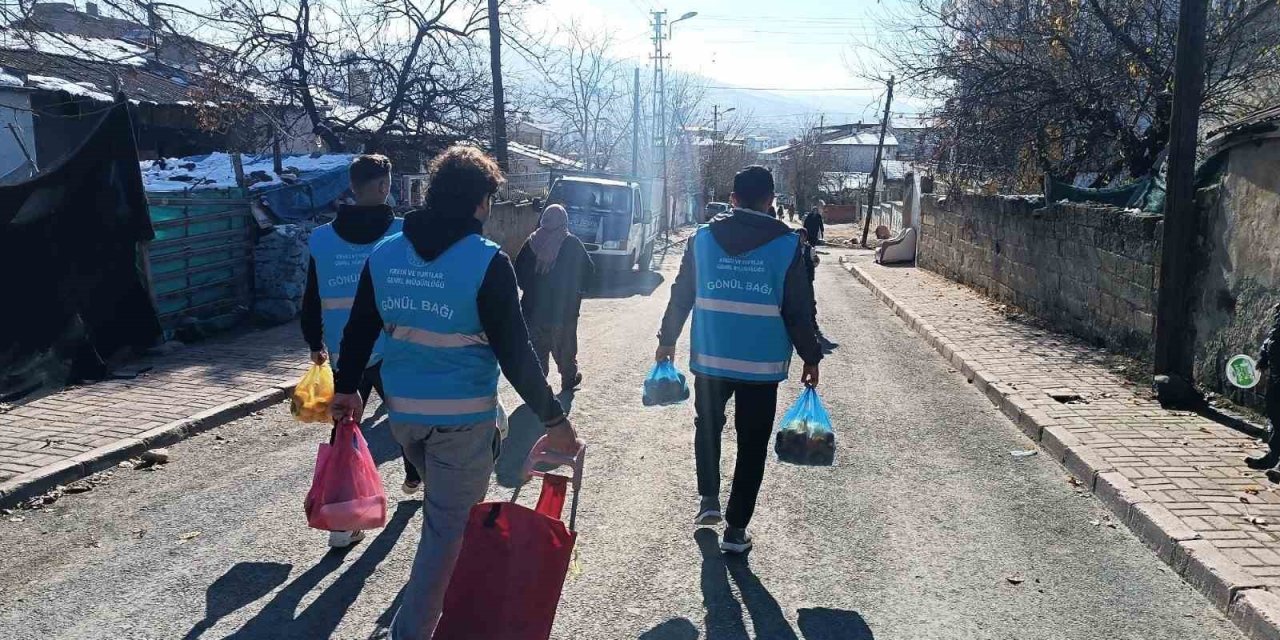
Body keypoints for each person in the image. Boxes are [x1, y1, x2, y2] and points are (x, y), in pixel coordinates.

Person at [329, 145, 580, 640]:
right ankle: (411, 632)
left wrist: (348, 390)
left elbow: (359, 330)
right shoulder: (484, 261)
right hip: (461, 421)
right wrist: (556, 420)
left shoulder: (386, 253)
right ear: (481, 201)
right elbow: (515, 353)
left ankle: (434, 616)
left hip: (405, 418)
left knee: (444, 518)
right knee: (446, 533)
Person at [656, 165, 822, 554]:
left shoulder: (701, 240)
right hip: (761, 367)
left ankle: (708, 500)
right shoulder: (787, 245)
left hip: (711, 359)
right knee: (751, 445)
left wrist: (667, 339)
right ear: (770, 202)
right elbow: (799, 309)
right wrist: (810, 357)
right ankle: (736, 530)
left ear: (732, 200)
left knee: (708, 426)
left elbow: (682, 293)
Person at [301, 154, 421, 548]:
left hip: (342, 355)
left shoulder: (320, 238)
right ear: (385, 185)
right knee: (409, 420)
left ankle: (341, 524)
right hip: (393, 348)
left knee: (345, 434)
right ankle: (415, 476)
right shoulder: (403, 234)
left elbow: (312, 297)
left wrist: (314, 342)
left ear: (351, 187)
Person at [515, 204, 595, 393]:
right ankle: (569, 378)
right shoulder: (572, 243)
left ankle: (538, 386)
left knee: (536, 351)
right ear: (564, 221)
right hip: (563, 311)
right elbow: (589, 273)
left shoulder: (532, 242)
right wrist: (576, 291)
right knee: (565, 348)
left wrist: (531, 288)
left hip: (533, 310)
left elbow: (518, 271)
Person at [1246, 303, 1280, 478]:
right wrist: (1263, 356)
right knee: (1275, 415)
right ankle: (1273, 456)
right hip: (1277, 377)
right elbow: (1273, 336)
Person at [797, 228, 838, 352]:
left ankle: (812, 322)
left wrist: (811, 262)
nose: (800, 239)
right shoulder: (791, 249)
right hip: (794, 281)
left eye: (802, 236)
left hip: (807, 279)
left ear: (805, 237)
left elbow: (816, 261)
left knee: (810, 301)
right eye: (798, 236)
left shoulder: (810, 249)